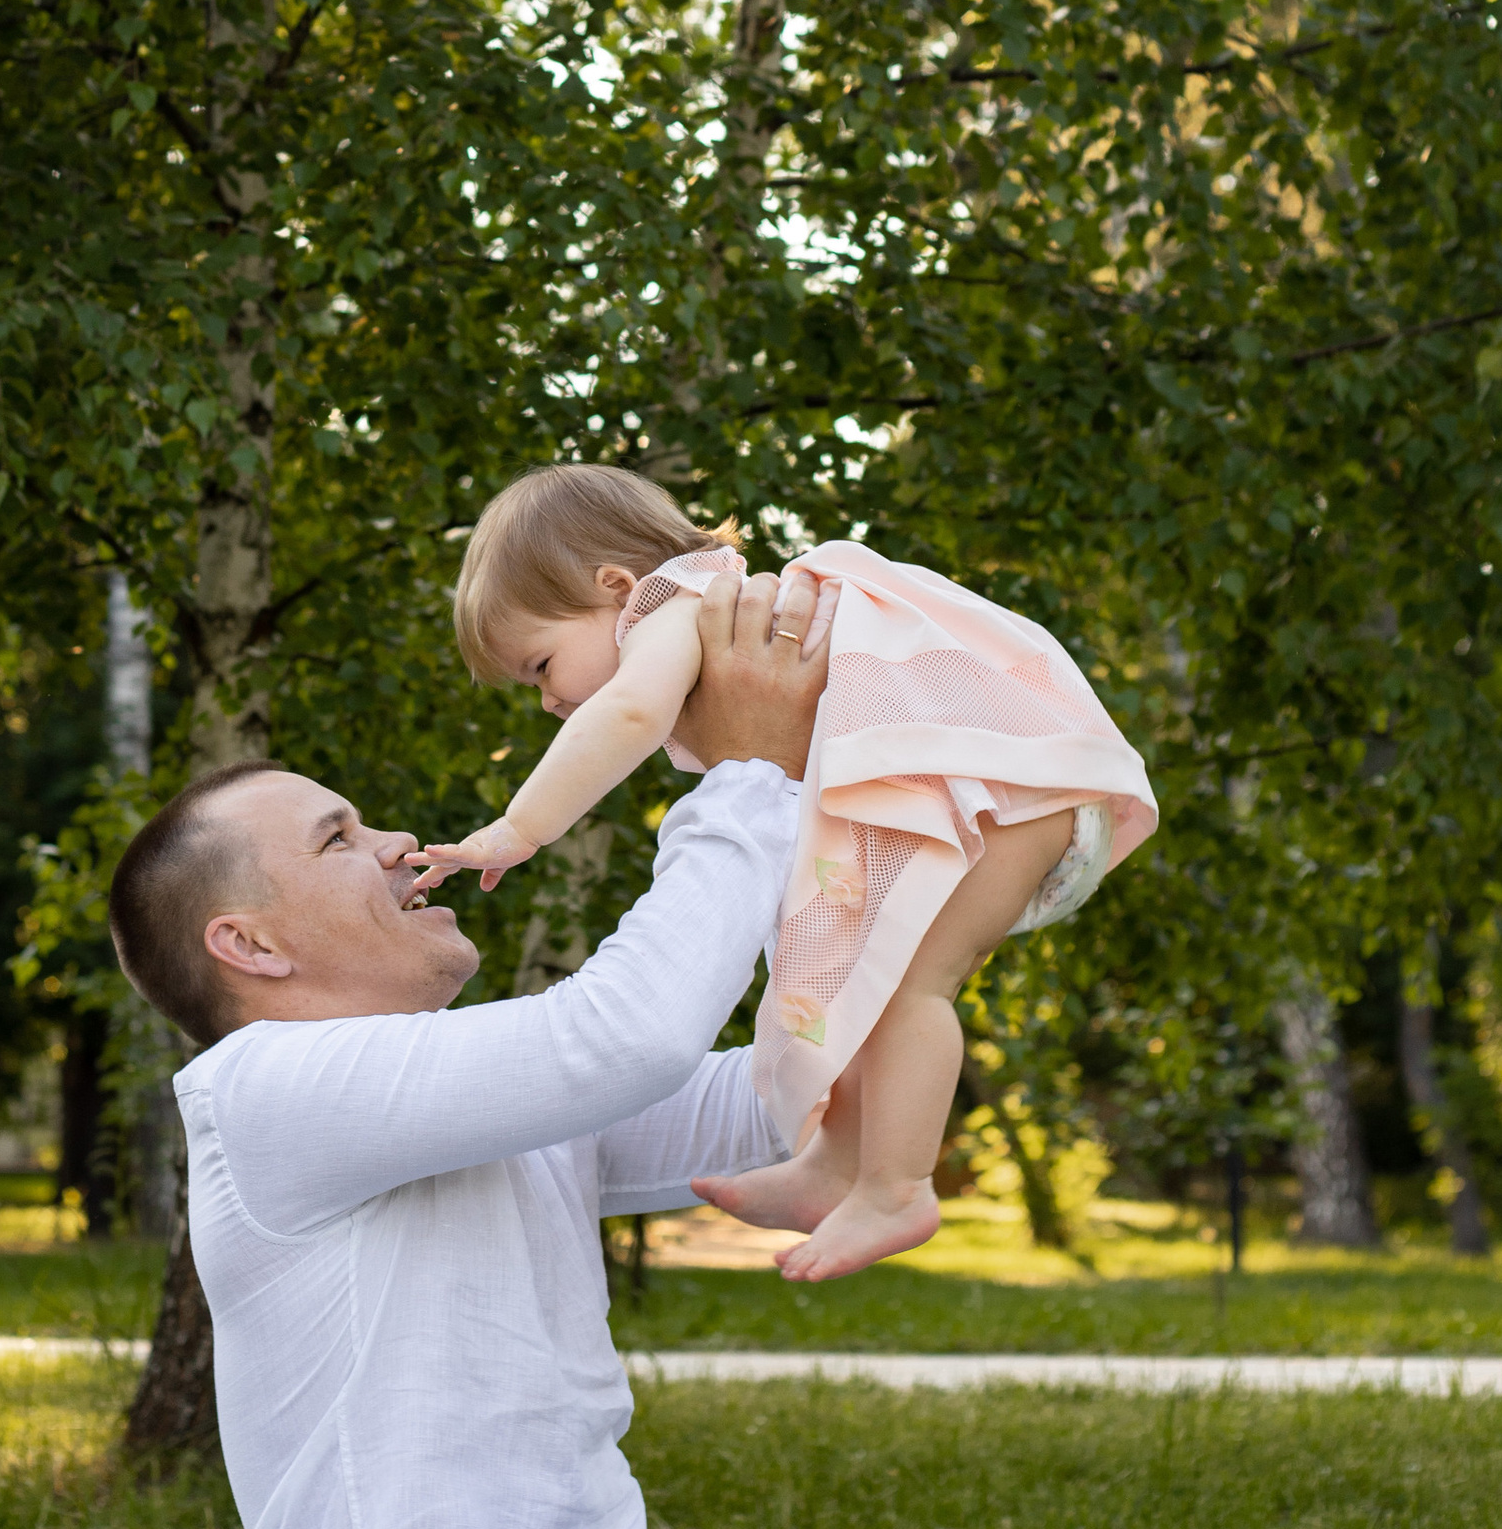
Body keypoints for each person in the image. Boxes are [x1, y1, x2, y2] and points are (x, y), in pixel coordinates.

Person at [107, 567, 1502, 1529]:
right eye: (336, 839)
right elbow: (622, 1039)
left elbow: (767, 1102)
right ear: (245, 944)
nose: (395, 840)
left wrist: (908, 884)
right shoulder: (269, 1097)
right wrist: (735, 773)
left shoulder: (474, 1093)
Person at [414, 465, 1157, 1280]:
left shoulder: (675, 604)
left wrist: (518, 828)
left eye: (540, 667)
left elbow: (624, 714)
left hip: (1013, 797)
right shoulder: (721, 612)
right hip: (1004, 794)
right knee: (867, 982)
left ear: (615, 587)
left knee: (913, 987)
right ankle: (835, 1166)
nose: (551, 704)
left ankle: (896, 1186)